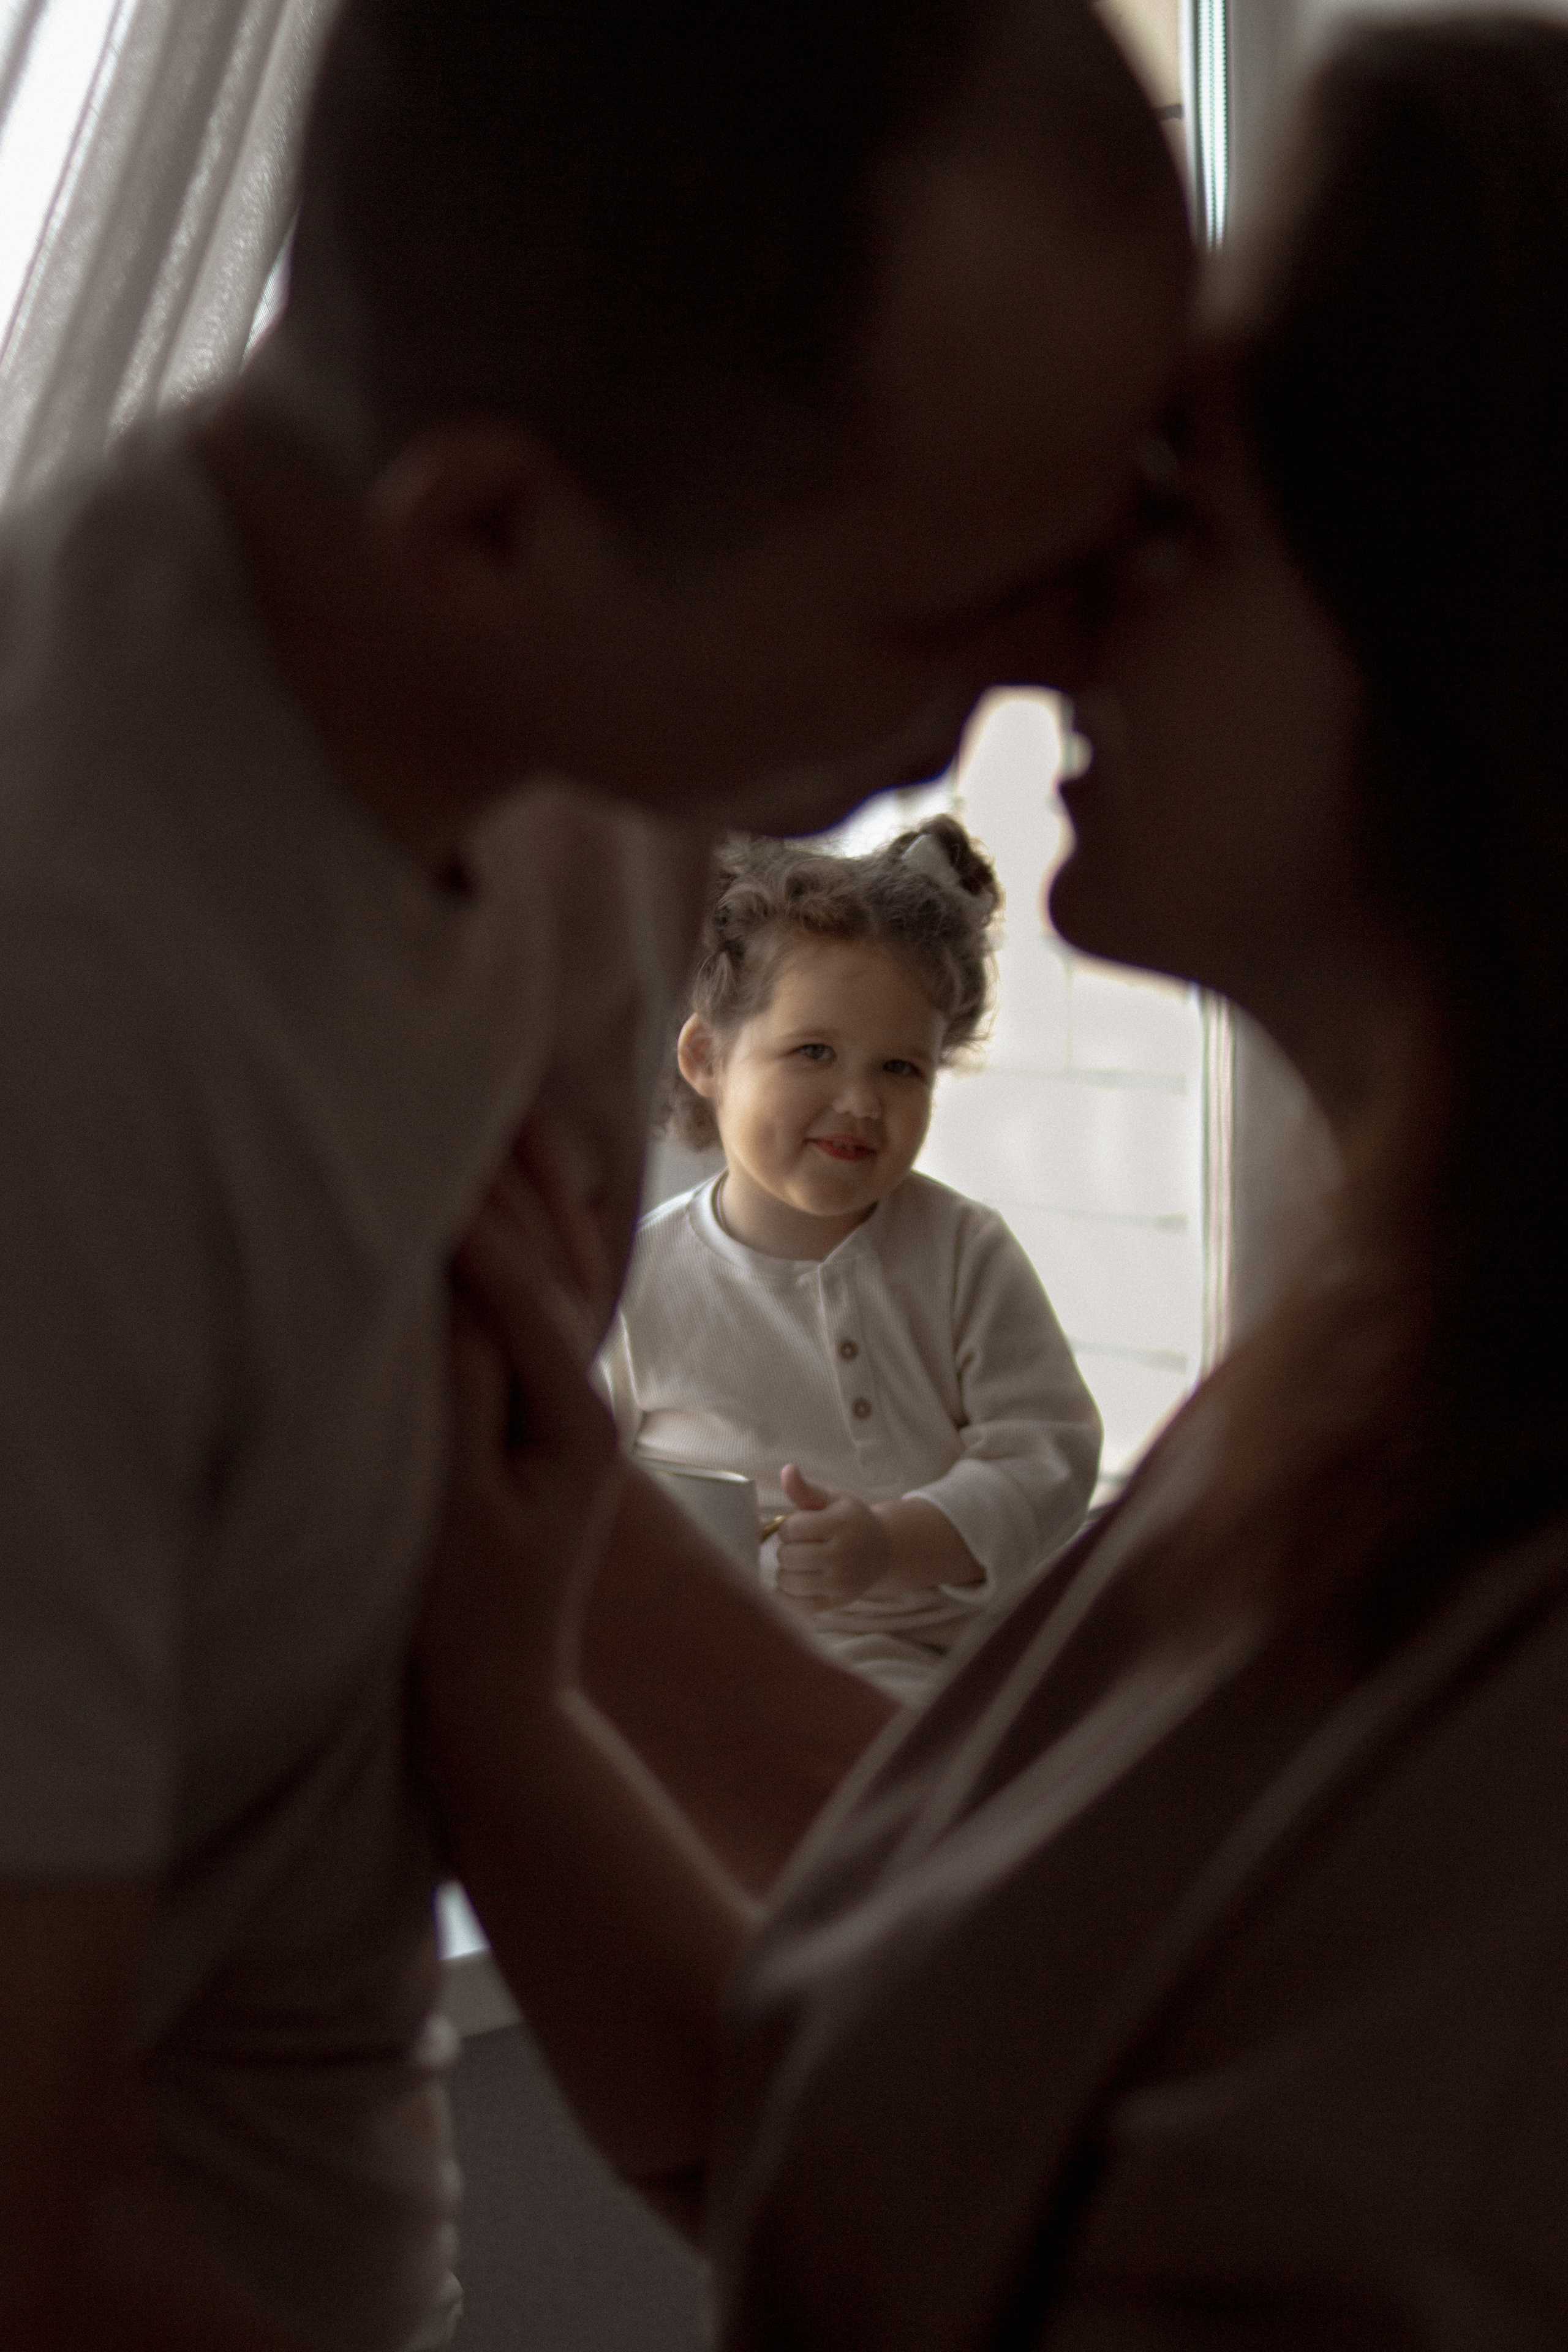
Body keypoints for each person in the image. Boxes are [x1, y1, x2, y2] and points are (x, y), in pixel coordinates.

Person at [0, 0, 1192, 2344]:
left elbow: (467, 1496)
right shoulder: (76, 1033)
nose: (1036, 694)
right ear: (491, 534)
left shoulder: (577, 756)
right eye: (937, 608)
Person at [420, 12, 1568, 2345]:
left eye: (1180, 518)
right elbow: (921, 2073)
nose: (1059, 615)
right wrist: (503, 1621)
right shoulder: (1388, 1377)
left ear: (1463, 627)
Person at [600, 815, 1101, 1702]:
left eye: (902, 1069)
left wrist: (892, 1547)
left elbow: (1048, 1457)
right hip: (703, 1653)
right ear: (707, 1058)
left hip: (926, 1657)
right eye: (815, 1053)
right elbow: (585, 1487)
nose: (862, 1102)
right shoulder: (637, 1278)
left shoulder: (964, 1254)